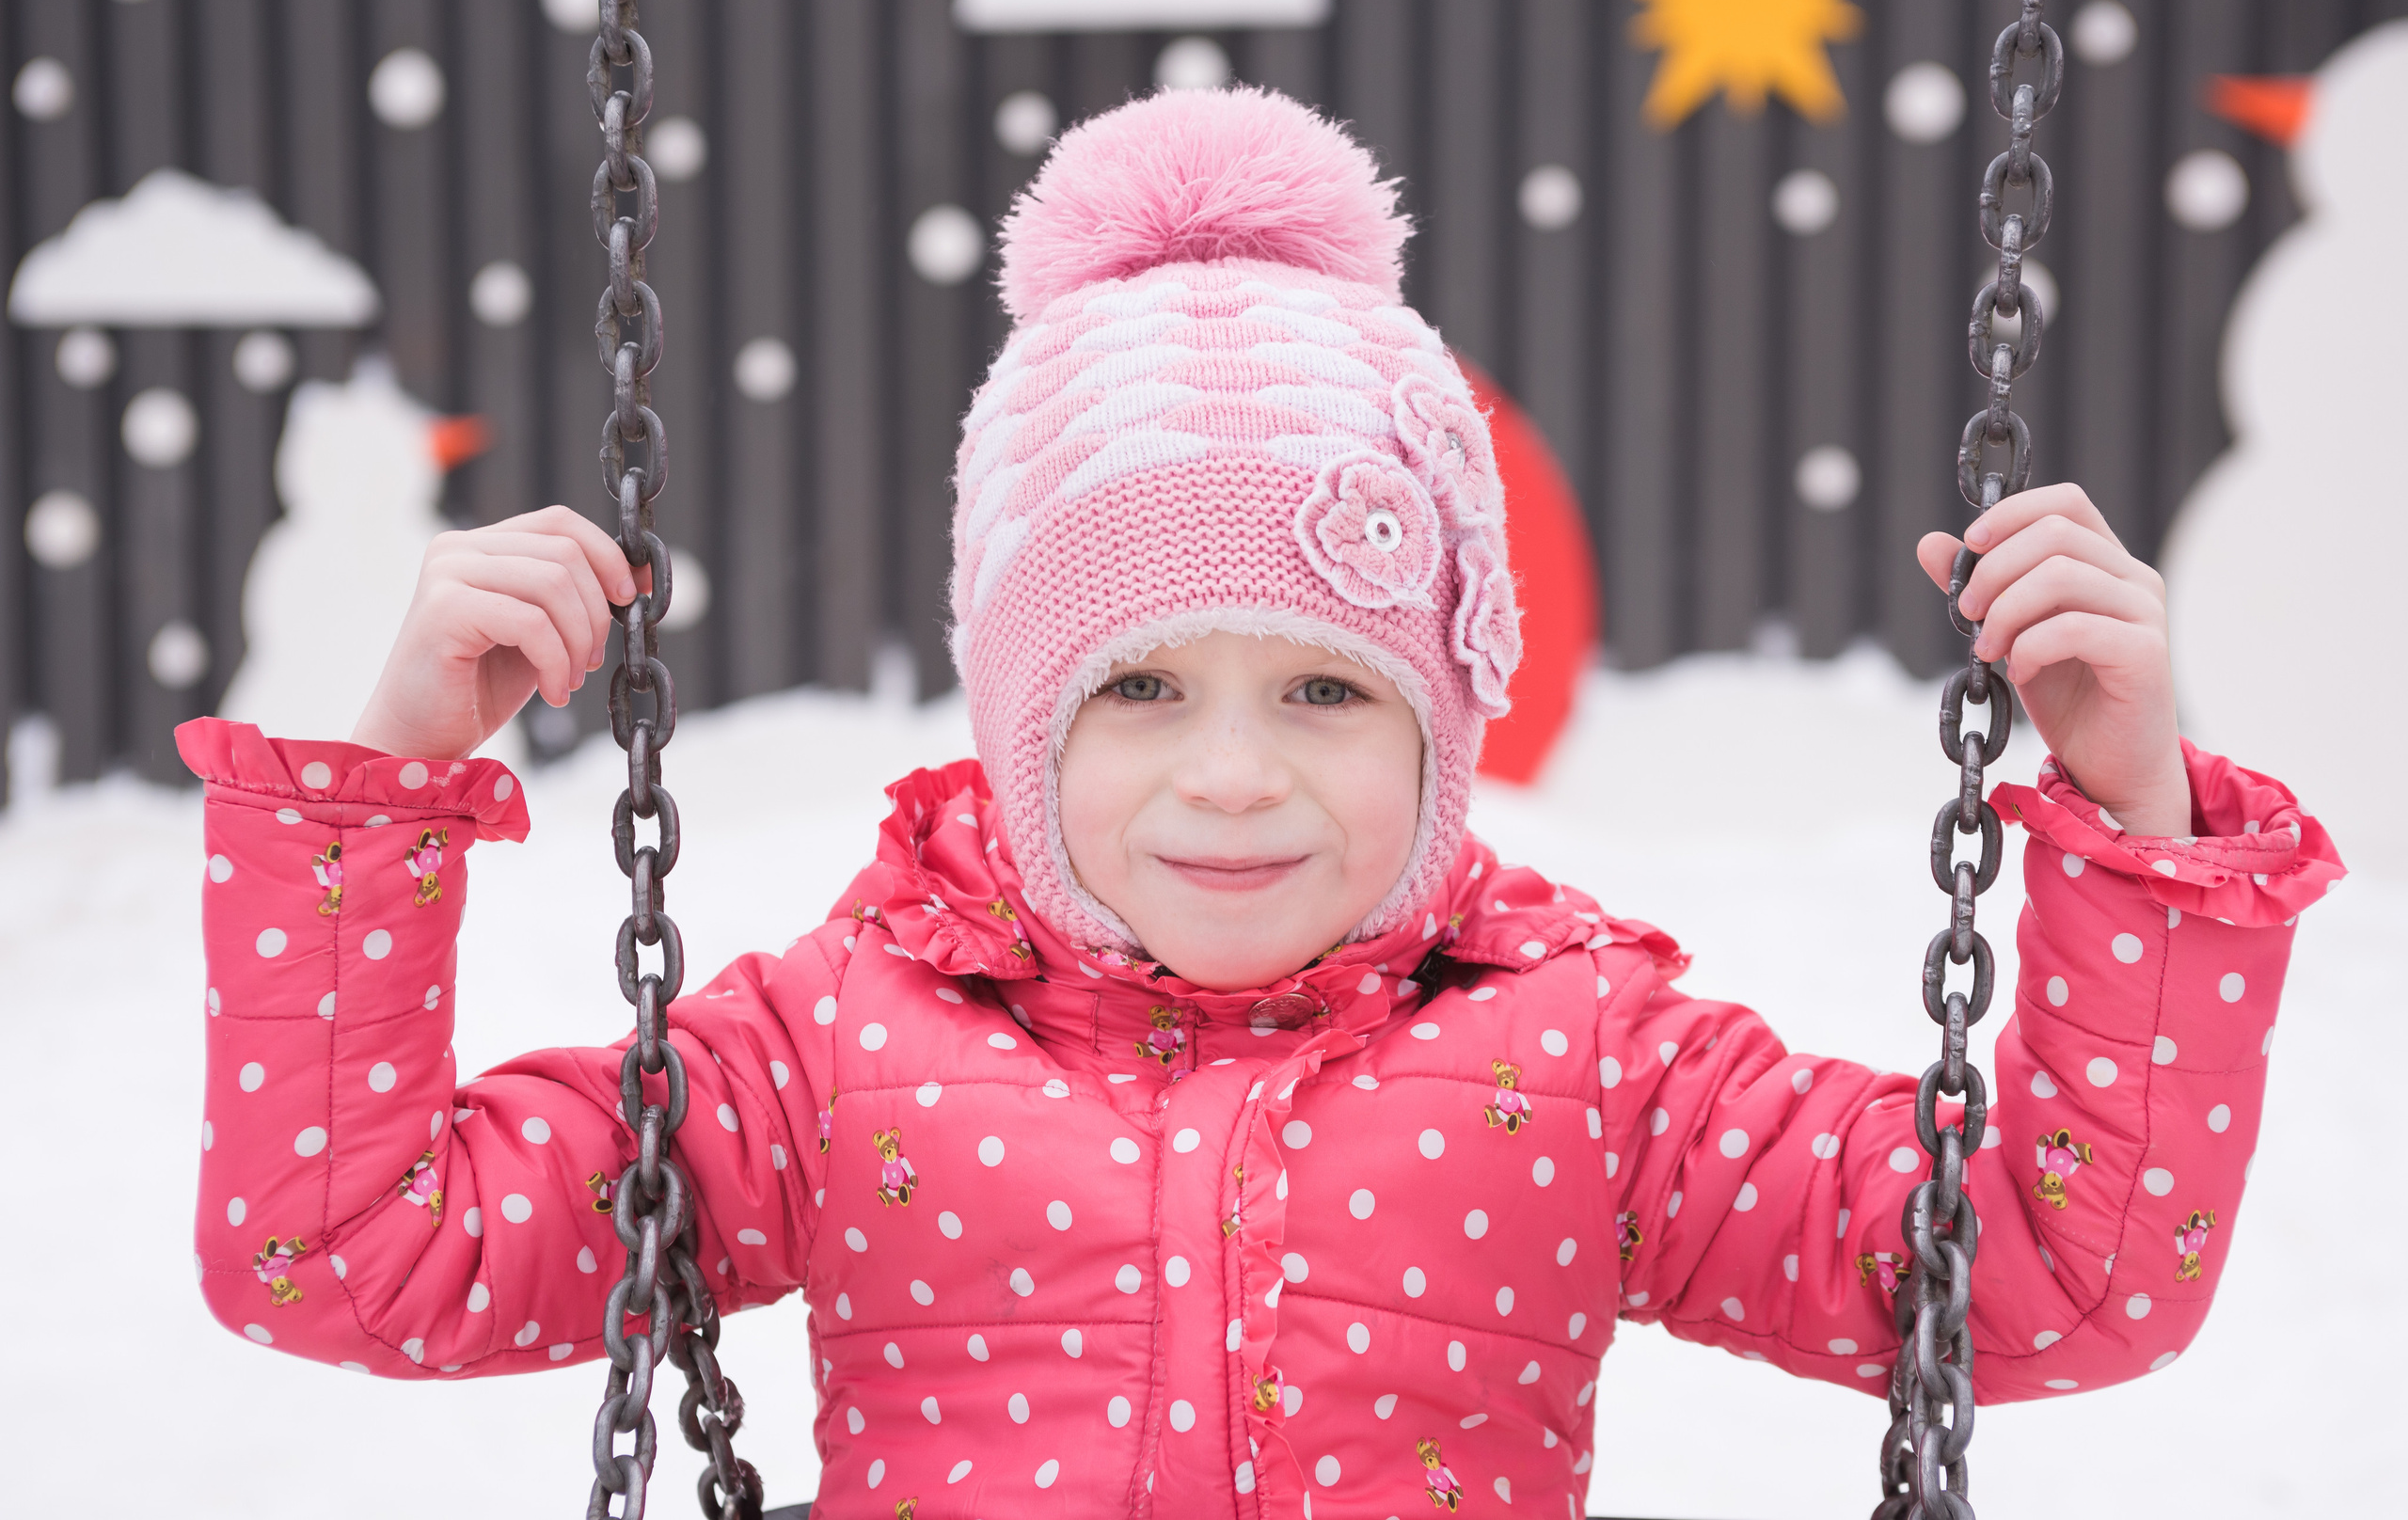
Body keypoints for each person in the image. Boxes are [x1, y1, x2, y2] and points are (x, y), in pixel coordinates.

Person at [178, 87, 2341, 1514]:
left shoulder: (1583, 1058)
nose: (1230, 772)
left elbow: (2054, 1283)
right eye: (1131, 686)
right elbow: (342, 1257)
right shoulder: (828, 1055)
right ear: (1017, 715)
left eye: (1324, 682)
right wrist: (381, 796)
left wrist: (2126, 811)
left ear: (1446, 715)